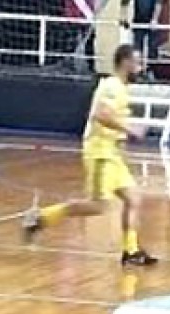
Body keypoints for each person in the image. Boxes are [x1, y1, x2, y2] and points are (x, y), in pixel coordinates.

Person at [22, 43, 158, 266]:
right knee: (99, 206)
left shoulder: (121, 87)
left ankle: (131, 251)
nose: (141, 67)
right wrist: (129, 129)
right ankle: (41, 218)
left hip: (112, 152)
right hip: (100, 152)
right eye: (138, 62)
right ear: (125, 62)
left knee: (133, 198)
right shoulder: (112, 86)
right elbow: (100, 114)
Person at [121, 0, 170, 67]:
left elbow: (158, 3)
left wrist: (154, 20)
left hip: (155, 18)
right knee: (137, 47)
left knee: (153, 46)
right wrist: (123, 17)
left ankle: (151, 70)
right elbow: (124, 0)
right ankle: (137, 70)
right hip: (139, 18)